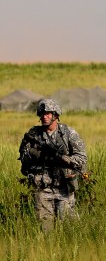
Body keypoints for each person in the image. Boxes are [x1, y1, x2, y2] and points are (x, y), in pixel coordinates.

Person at [18, 99, 88, 233]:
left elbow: (82, 157)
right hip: (42, 189)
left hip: (64, 189)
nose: (44, 116)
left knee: (69, 230)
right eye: (42, 114)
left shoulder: (68, 133)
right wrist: (35, 156)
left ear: (55, 115)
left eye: (48, 113)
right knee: (45, 231)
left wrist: (64, 160)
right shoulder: (33, 135)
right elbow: (24, 162)